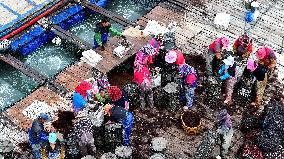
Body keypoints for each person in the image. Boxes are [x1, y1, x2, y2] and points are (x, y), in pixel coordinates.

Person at [133, 44, 157, 108]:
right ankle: (151, 106)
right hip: (148, 85)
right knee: (150, 95)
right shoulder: (146, 69)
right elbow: (149, 77)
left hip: (141, 86)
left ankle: (142, 107)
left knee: (141, 96)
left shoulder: (136, 72)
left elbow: (136, 81)